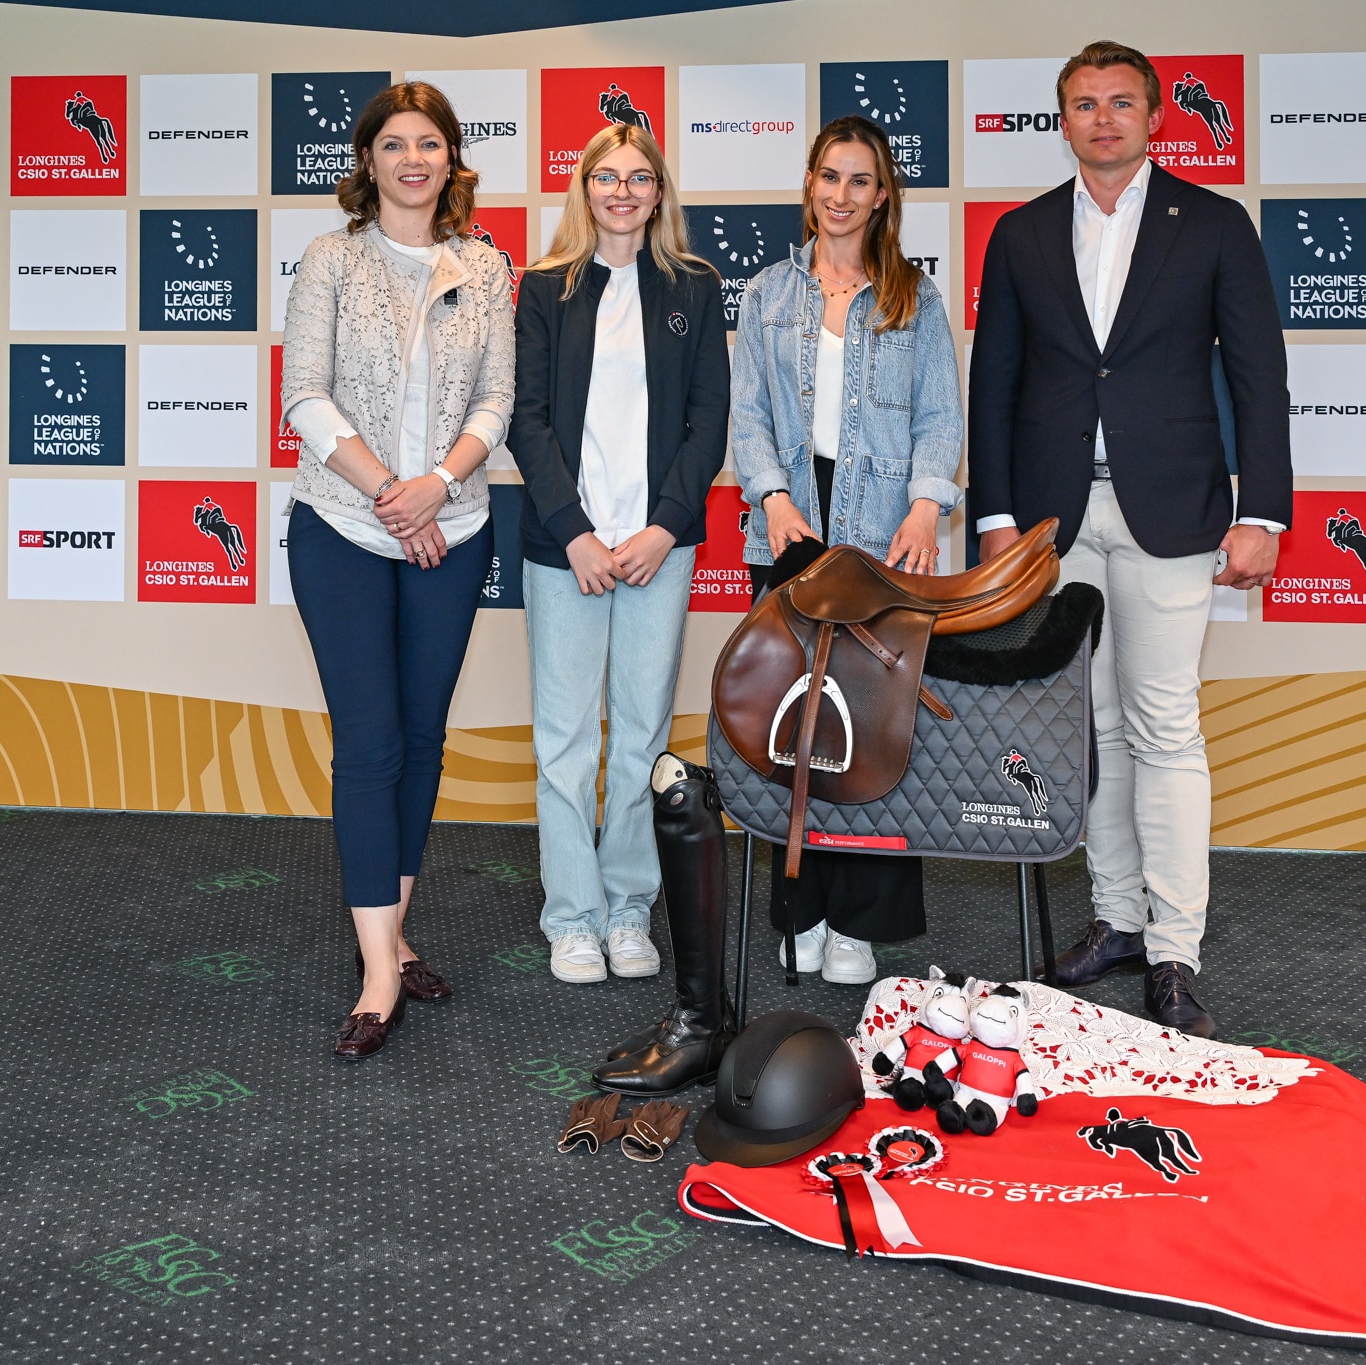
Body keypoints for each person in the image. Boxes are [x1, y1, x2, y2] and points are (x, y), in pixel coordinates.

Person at [968, 42, 1293, 1037]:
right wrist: (991, 519)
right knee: (1090, 733)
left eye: (1118, 103)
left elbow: (1254, 374)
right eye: (1081, 104)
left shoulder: (1214, 226)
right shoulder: (1019, 233)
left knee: (1162, 727)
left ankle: (1173, 951)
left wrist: (1263, 510)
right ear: (1058, 121)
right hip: (1054, 521)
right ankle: (1112, 919)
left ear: (1154, 117)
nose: (1100, 119)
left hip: (1170, 512)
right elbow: (995, 384)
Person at [277, 81, 516, 1059]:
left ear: (449, 160)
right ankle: (380, 973)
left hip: (451, 534)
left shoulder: (485, 267)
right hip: (344, 525)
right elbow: (304, 397)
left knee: (422, 739)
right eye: (393, 144)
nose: (412, 159)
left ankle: (392, 931)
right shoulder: (332, 258)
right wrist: (392, 494)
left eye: (430, 144)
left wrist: (439, 488)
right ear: (366, 160)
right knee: (370, 742)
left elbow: (495, 402)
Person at [730, 115, 964, 987]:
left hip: (884, 535)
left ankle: (859, 923)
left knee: (871, 730)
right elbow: (747, 412)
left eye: (860, 180)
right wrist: (774, 495)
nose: (841, 194)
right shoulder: (766, 295)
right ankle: (802, 910)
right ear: (810, 182)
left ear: (882, 194)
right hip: (792, 528)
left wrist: (926, 505)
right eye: (830, 176)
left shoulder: (917, 297)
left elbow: (942, 415)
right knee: (791, 729)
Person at [508, 124, 728, 986]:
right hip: (566, 549)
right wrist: (575, 532)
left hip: (655, 550)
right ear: (584, 187)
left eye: (640, 177)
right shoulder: (543, 289)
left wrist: (663, 527)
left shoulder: (695, 288)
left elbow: (709, 419)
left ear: (659, 191)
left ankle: (630, 909)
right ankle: (572, 916)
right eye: (607, 175)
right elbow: (528, 420)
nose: (623, 191)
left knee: (639, 738)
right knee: (565, 742)